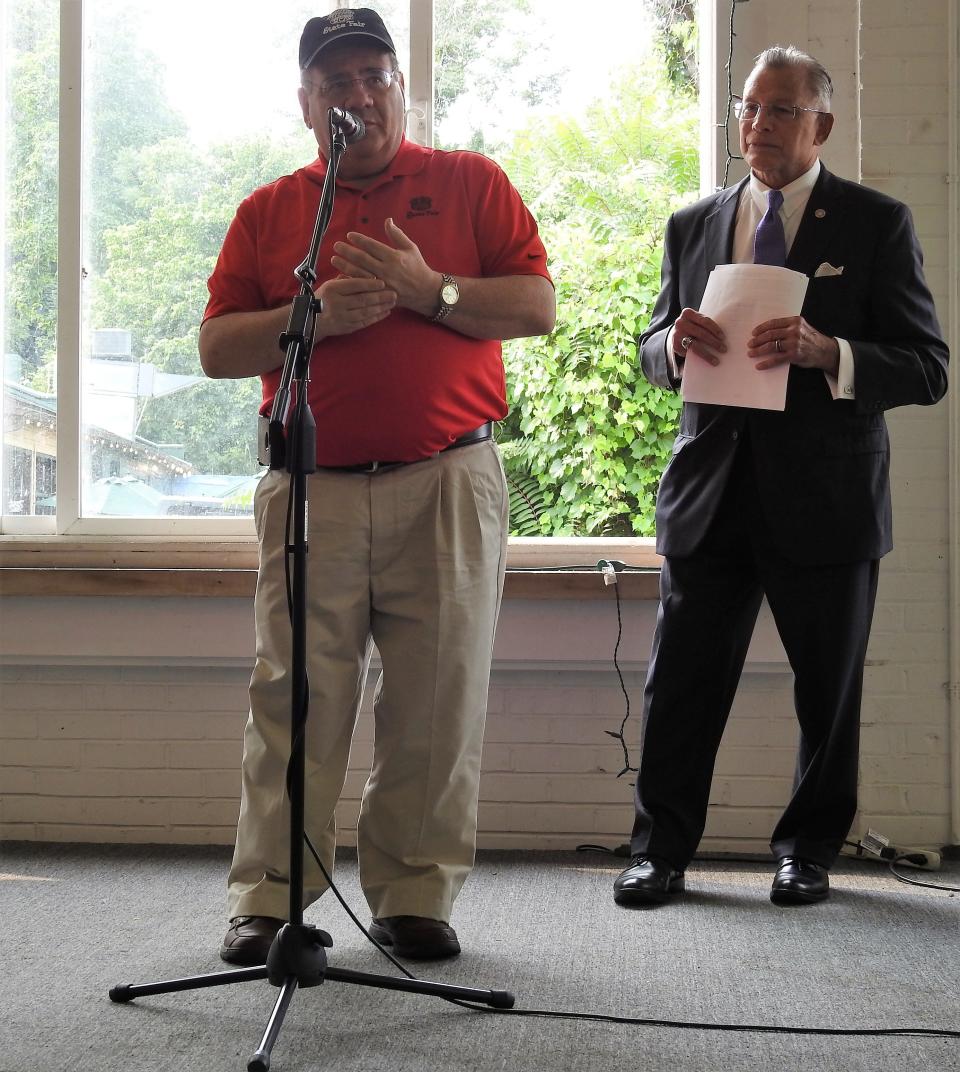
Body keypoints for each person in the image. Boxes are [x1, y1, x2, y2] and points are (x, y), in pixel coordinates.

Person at [200, 8, 555, 963]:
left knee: (437, 698)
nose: (358, 95)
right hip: (308, 487)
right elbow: (216, 347)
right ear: (308, 104)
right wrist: (307, 317)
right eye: (336, 82)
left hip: (446, 481)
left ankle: (414, 895)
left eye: (373, 75)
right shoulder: (273, 209)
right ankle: (271, 899)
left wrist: (426, 289)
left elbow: (535, 304)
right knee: (294, 696)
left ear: (401, 85)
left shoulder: (470, 182)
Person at [613, 45, 948, 909]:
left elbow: (925, 367)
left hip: (827, 502)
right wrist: (672, 346)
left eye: (780, 110)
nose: (757, 126)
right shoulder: (693, 224)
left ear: (822, 125)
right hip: (709, 496)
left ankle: (807, 852)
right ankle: (661, 853)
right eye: (749, 109)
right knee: (680, 685)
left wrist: (826, 351)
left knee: (825, 692)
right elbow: (650, 350)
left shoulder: (877, 223)